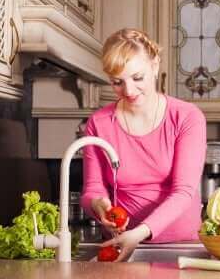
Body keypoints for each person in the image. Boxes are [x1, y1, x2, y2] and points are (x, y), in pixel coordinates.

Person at [80, 28, 207, 261]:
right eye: (117, 82)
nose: (128, 91)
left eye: (137, 78)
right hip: (122, 244)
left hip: (180, 247)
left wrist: (139, 233)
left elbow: (184, 191)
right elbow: (93, 189)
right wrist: (101, 206)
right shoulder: (98, 123)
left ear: (155, 65)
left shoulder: (187, 117)